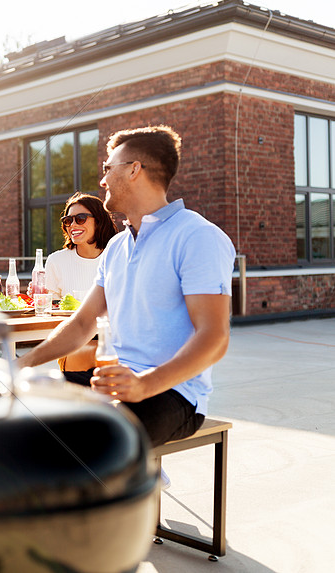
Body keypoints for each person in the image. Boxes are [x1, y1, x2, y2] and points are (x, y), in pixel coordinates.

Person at [17, 125, 235, 448]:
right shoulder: (117, 247)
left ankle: (131, 480)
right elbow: (81, 323)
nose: (102, 180)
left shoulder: (197, 236)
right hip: (115, 384)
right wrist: (22, 363)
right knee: (23, 423)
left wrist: (144, 385)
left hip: (172, 394)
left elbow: (215, 338)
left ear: (134, 170)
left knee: (83, 447)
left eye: (108, 168)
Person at [28, 192, 117, 370]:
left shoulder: (117, 255)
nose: (73, 225)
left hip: (115, 340)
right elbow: (48, 311)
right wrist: (39, 299)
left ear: (99, 220)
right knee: (83, 353)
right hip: (74, 343)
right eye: (68, 221)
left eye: (81, 218)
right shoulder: (56, 261)